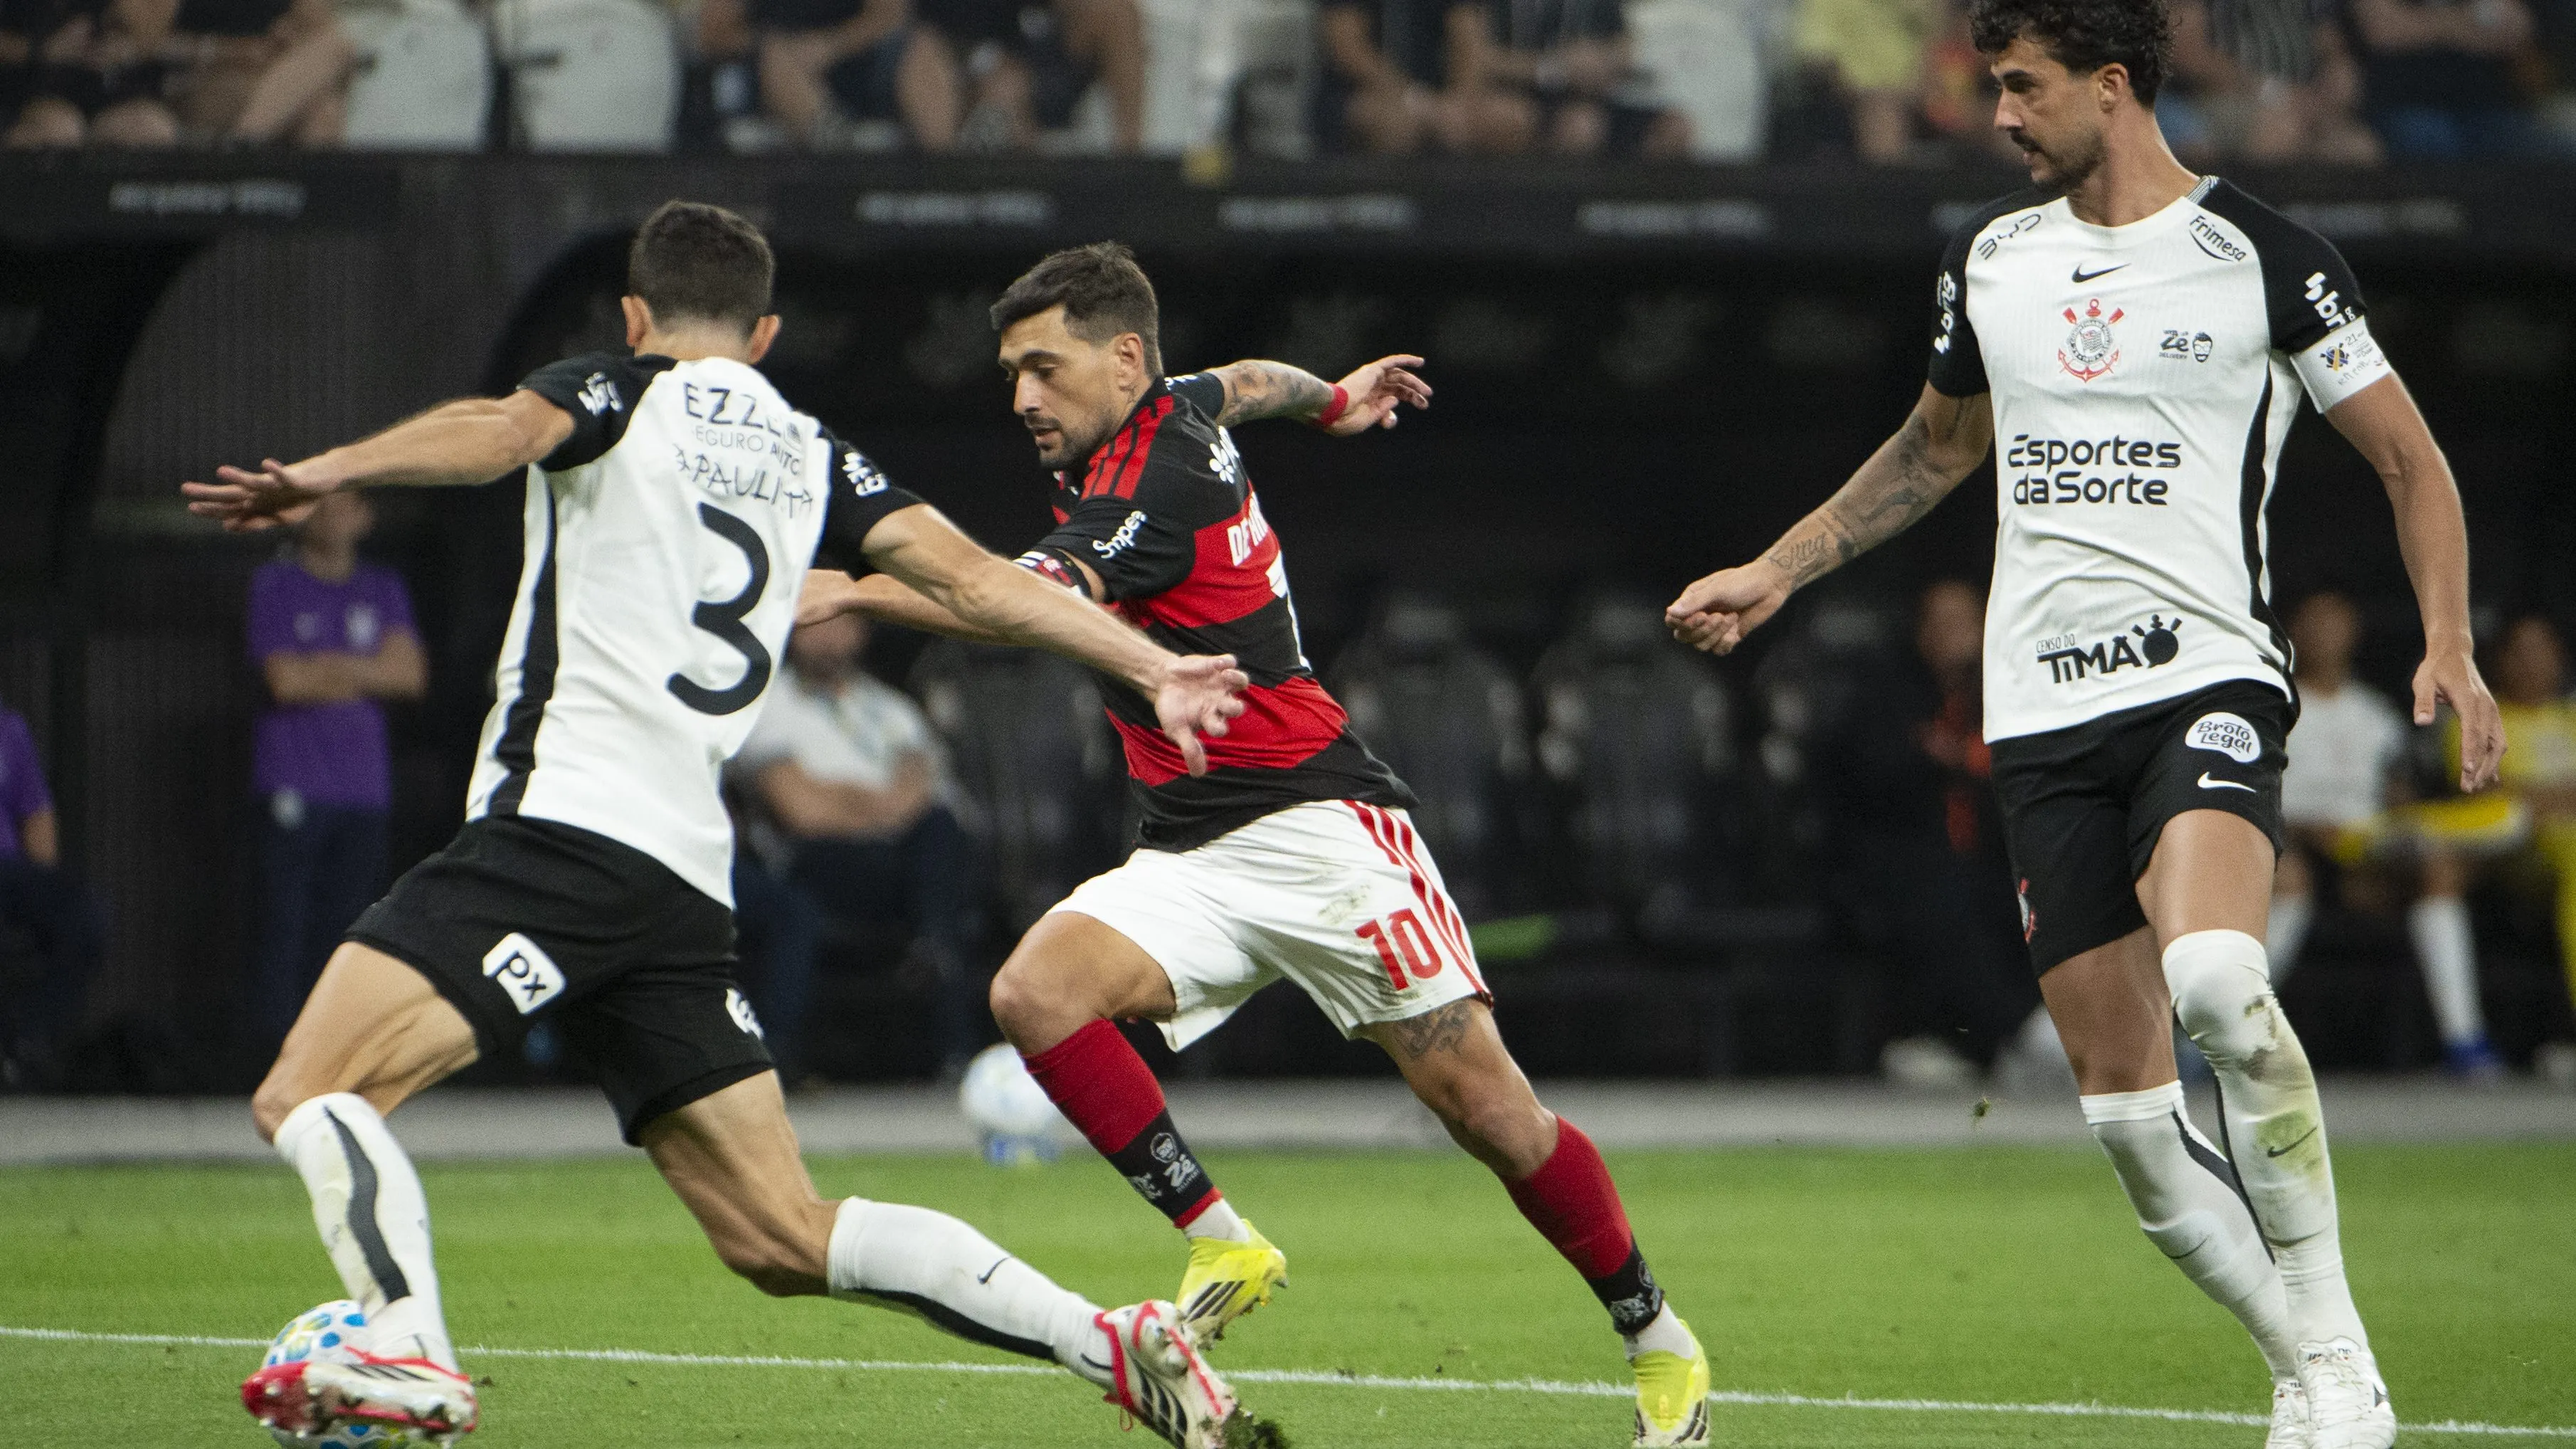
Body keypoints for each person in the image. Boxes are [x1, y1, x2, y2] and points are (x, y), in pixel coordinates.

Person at [182, 201, 1260, 1449]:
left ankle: (400, 1336)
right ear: (764, 334)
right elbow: (974, 580)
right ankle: (1110, 1344)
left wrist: (328, 470)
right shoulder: (814, 450)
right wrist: (1152, 664)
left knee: (309, 1091)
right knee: (779, 1234)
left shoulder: (614, 389)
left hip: (560, 836)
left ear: (636, 321)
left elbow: (493, 434)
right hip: (683, 883)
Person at [1662, 0, 2507, 1442]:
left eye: (2020, 86)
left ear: (2111, 88)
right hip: (2041, 717)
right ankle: (2302, 1361)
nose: (1998, 113)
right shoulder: (1989, 259)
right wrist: (1778, 568)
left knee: (2226, 983)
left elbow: (2410, 462)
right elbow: (1933, 453)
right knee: (2123, 1113)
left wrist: (2451, 645)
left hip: (2205, 676)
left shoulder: (2270, 261)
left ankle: (2342, 1354)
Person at [803, 242, 1719, 1448]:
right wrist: (1335, 397)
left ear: (1122, 359)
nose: (1022, 397)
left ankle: (1661, 1342)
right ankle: (1225, 1241)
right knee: (1035, 993)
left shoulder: (1149, 491)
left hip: (1325, 831)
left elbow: (1008, 601)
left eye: (1043, 368)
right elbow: (1247, 381)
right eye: (1011, 374)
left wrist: (858, 590)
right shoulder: (1176, 404)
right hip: (1190, 850)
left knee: (1490, 1112)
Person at [737, 611, 987, 1078]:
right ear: (791, 629)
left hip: (904, 863)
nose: (829, 638)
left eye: (840, 624)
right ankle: (941, 983)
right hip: (818, 865)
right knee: (932, 874)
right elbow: (802, 813)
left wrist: (841, 796)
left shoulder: (893, 708)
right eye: (815, 623)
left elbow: (929, 791)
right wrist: (881, 803)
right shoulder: (766, 708)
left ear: (861, 632)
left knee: (940, 835)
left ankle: (939, 973)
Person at [2266, 589, 2503, 1075]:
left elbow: (2400, 799)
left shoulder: (2375, 715)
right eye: (2314, 621)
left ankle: (2465, 1040)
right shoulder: (2272, 706)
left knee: (2439, 869)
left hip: (2368, 851)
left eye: (2336, 621)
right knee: (2287, 876)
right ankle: (2225, 1038)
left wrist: (2406, 833)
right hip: (2287, 844)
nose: (2325, 633)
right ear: (2292, 630)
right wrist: (2308, 831)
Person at [1821, 579, 2042, 1084]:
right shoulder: (1886, 691)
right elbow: (1866, 773)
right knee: (1943, 900)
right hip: (1901, 859)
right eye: (1943, 625)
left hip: (1990, 858)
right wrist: (1940, 758)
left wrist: (1960, 757)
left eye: (1966, 623)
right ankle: (2010, 1037)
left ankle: (2024, 1033)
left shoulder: (2004, 690)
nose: (1957, 637)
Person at [245, 488, 424, 1051]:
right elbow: (286, 682)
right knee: (283, 922)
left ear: (366, 516)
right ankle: (274, 1051)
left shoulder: (382, 588)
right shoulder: (275, 585)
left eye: (343, 503)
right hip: (293, 783)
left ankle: (337, 1047)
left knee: (350, 923)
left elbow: (409, 676)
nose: (330, 515)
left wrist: (328, 665)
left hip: (364, 788)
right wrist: (366, 669)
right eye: (318, 504)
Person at [0, 697, 102, 1090]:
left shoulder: (9, 727)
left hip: (10, 873)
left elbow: (37, 816)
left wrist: (44, 885)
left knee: (85, 916)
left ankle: (27, 1043)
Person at [724, 0, 961, 149]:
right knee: (775, 53)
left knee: (925, 46)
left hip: (860, 66)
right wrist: (787, 50)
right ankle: (837, 147)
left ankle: (948, 173)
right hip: (776, 80)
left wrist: (827, 47)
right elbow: (714, 32)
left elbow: (890, 14)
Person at [915, 0, 1143, 151]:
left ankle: (1130, 166)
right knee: (1001, 91)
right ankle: (944, 190)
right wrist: (987, 66)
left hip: (1029, 55)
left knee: (1117, 11)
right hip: (953, 64)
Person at [2348, 0, 2548, 157]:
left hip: (2487, 105)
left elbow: (2517, 28)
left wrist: (2425, 25)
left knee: (2555, 151)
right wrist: (2459, 24)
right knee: (2431, 140)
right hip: (2406, 105)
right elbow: (2383, 29)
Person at [0, 0, 178, 147]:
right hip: (34, 88)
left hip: (106, 89)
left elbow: (153, 35)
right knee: (59, 131)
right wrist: (43, 49)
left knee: (151, 129)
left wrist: (126, 49)